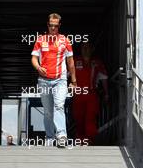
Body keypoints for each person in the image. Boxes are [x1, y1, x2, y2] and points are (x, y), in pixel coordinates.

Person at [31, 13, 76, 147]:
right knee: (48, 111)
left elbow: (70, 61)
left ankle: (61, 135)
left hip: (60, 79)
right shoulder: (40, 40)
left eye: (55, 26)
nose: (53, 28)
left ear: (59, 26)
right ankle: (50, 137)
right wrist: (38, 67)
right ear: (47, 25)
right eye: (51, 25)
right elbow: (33, 58)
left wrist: (73, 81)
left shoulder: (65, 41)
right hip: (44, 80)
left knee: (59, 106)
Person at [72, 42, 108, 146]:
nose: (86, 49)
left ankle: (89, 141)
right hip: (78, 94)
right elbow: (64, 75)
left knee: (90, 118)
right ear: (81, 49)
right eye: (84, 47)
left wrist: (106, 94)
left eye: (88, 47)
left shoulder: (97, 62)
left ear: (92, 49)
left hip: (92, 95)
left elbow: (104, 78)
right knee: (78, 118)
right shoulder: (74, 61)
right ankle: (79, 140)